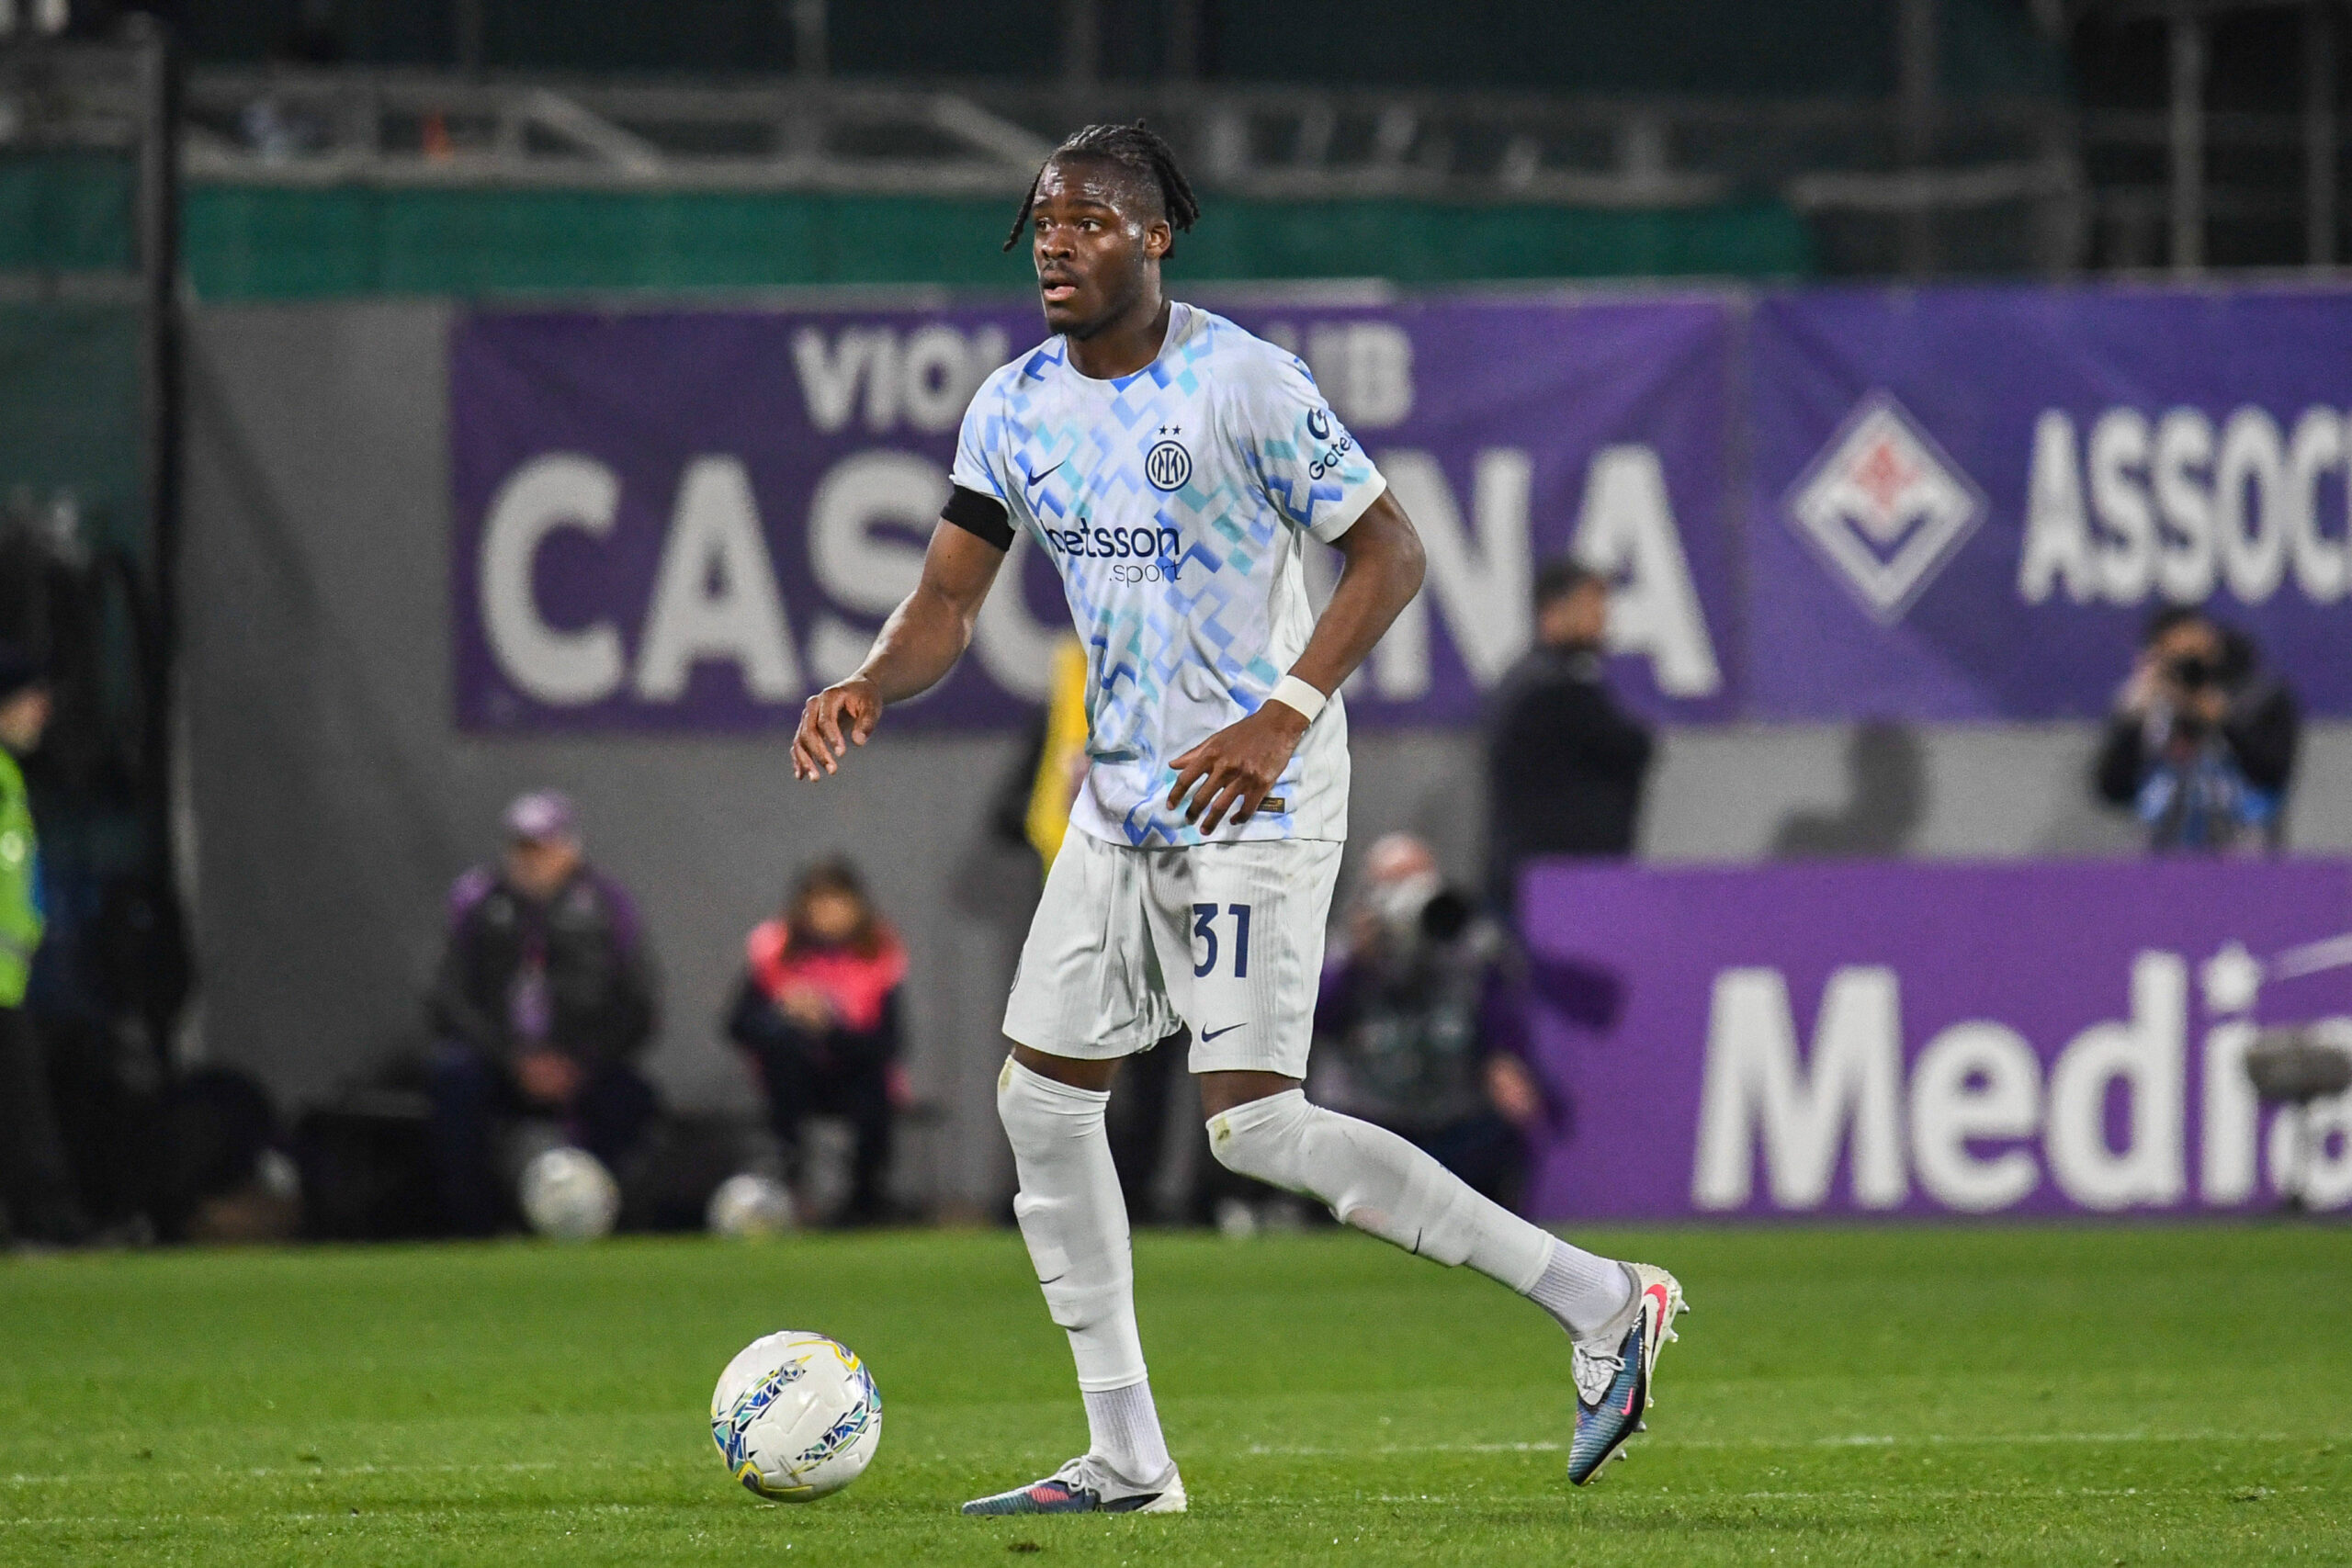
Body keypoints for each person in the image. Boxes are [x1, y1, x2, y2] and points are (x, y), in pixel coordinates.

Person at [789, 121, 1684, 1515]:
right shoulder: (1014, 406)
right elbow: (951, 601)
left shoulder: (1243, 383)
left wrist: (1285, 708)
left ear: (1155, 235)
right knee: (1040, 1098)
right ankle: (1128, 1457)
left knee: (1252, 1124)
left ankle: (1603, 1298)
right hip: (1122, 792)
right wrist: (867, 679)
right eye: (1041, 225)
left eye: (1087, 221)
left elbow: (1390, 551)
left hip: (1255, 785)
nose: (1057, 245)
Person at [425, 790, 660, 1235]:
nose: (533, 860)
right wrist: (514, 1058)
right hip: (499, 1061)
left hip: (583, 1063)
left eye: (544, 847)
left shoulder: (607, 904)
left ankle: (612, 1225)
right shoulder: (477, 899)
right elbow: (447, 997)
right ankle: (470, 1229)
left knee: (629, 1098)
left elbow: (639, 1004)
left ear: (570, 847)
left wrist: (581, 1060)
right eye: (523, 847)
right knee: (453, 1078)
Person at [1313, 833, 1547, 1210]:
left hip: (1452, 1106)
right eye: (1395, 882)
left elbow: (1500, 1011)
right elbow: (1317, 1020)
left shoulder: (1472, 941)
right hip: (1365, 1111)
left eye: (1420, 880)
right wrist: (1358, 962)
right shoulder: (1341, 946)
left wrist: (1506, 1062)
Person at [726, 859, 910, 1225]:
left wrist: (830, 1027)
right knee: (784, 1055)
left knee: (872, 1085)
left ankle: (865, 1198)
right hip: (793, 1082)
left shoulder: (878, 958)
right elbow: (738, 1024)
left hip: (854, 1076)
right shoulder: (774, 954)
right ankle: (790, 1185)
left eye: (838, 903)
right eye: (819, 903)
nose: (828, 914)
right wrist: (784, 1015)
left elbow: (890, 1043)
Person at [1483, 559, 1656, 915]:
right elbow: (1628, 747)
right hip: (1556, 890)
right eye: (1591, 607)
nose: (1603, 621)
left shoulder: (1543, 679)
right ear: (1553, 612)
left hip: (1557, 883)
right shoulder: (1550, 690)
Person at [0, 649, 88, 1246]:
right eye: (32, 696)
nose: (43, 710)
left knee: (23, 1106)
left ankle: (40, 1221)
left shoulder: (8, 776)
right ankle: (45, 1223)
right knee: (22, 1110)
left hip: (8, 983)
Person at [2094, 608, 2300, 852]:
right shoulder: (2147, 704)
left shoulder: (2260, 698)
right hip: (2160, 853)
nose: (2189, 669)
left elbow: (2274, 775)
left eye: (2195, 656)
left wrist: (2224, 719)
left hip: (2245, 851)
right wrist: (2136, 718)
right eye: (2177, 660)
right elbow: (2113, 789)